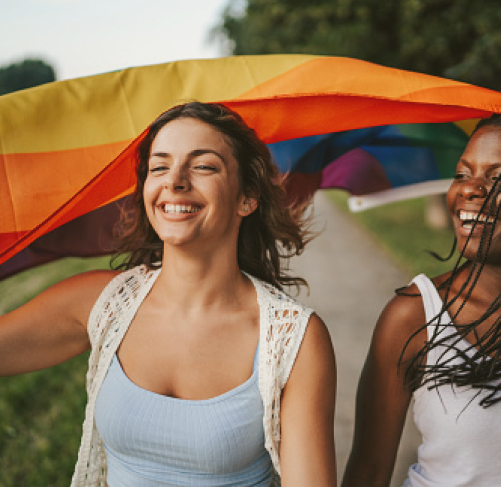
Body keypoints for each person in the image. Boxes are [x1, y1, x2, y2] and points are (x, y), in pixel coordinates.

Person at [0, 102, 337, 486]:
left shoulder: (294, 340)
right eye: (159, 167)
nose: (174, 181)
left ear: (247, 197)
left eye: (204, 166)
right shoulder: (101, 302)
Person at [342, 113, 501, 487]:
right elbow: (368, 473)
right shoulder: (413, 315)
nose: (470, 190)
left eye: (499, 178)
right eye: (462, 174)